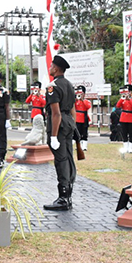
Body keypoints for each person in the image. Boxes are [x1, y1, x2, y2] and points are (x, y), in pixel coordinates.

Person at [43, 55, 77, 211]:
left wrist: (54, 136)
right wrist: (73, 125)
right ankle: (68, 196)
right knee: (68, 158)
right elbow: (73, 110)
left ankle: (63, 198)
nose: (50, 68)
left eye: (51, 66)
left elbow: (55, 113)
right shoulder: (69, 85)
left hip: (59, 126)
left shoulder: (52, 86)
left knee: (61, 161)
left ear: (56, 69)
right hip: (68, 123)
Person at [115, 84, 132, 154]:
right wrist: (122, 98)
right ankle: (125, 147)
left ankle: (131, 148)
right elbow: (118, 106)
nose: (127, 93)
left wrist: (130, 99)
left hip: (131, 117)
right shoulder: (123, 99)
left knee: (131, 133)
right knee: (124, 134)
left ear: (131, 92)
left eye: (128, 92)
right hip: (123, 118)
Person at [74, 85, 92, 151]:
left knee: (84, 132)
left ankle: (84, 146)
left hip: (84, 118)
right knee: (77, 133)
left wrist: (82, 100)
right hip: (77, 118)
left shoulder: (87, 101)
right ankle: (78, 145)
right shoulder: (76, 101)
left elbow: (88, 106)